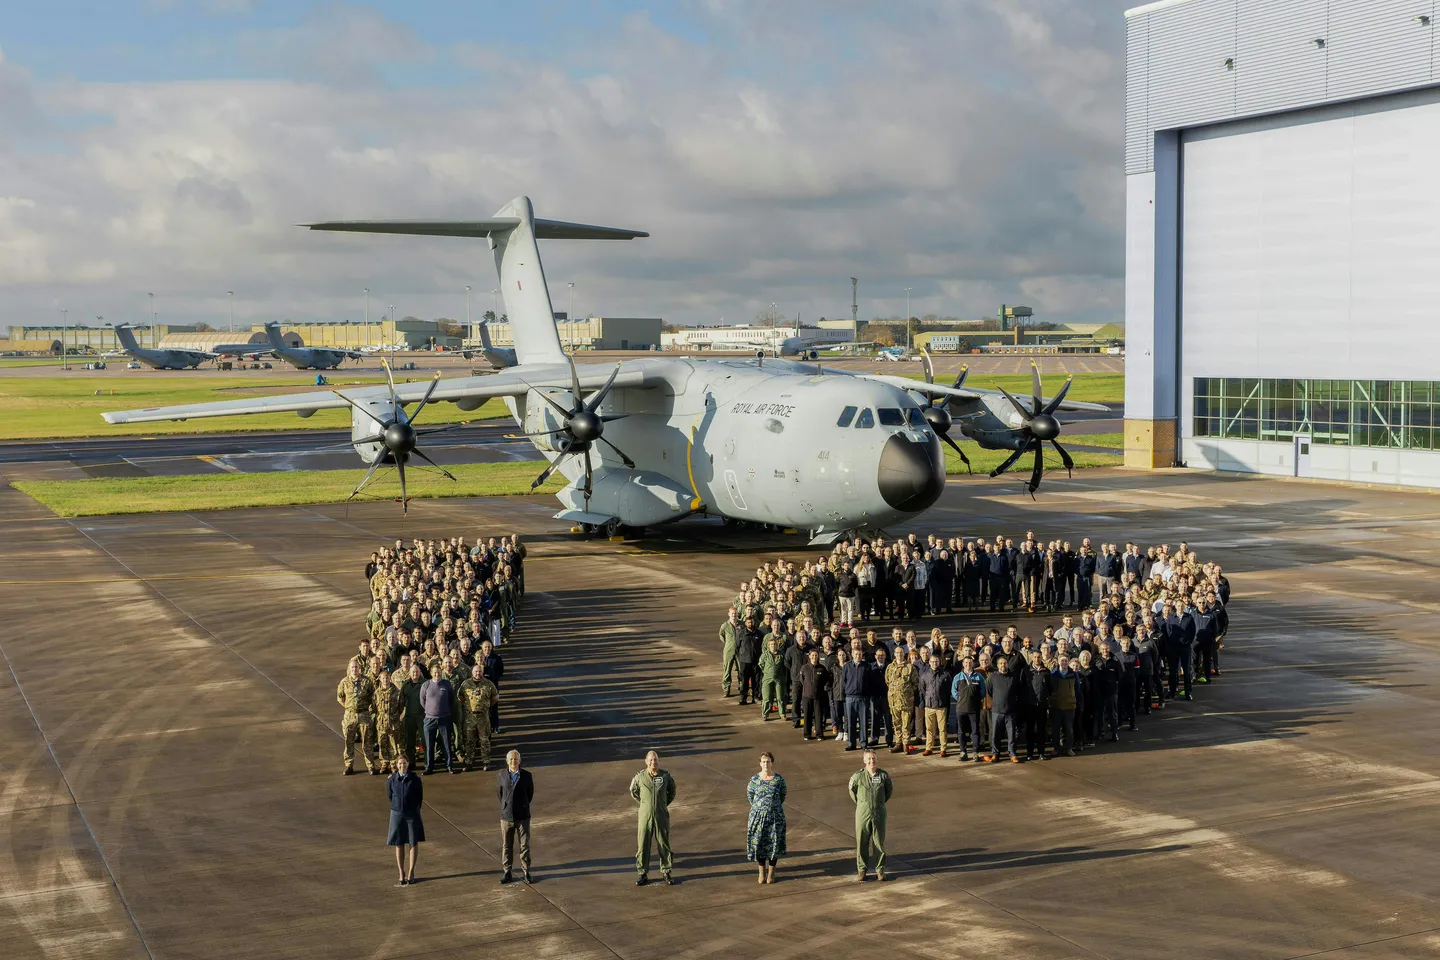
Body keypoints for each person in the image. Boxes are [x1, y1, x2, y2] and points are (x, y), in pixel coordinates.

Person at [630, 750, 677, 886]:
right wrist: (645, 804)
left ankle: (666, 872)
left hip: (661, 816)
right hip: (645, 816)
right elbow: (634, 791)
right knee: (643, 844)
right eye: (650, 760)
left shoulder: (665, 776)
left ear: (658, 761)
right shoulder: (640, 777)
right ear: (646, 762)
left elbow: (672, 791)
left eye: (655, 760)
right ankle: (642, 873)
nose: (653, 762)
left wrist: (662, 804)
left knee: (663, 843)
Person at [848, 749, 893, 882]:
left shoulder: (884, 776)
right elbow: (852, 791)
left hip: (879, 812)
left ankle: (880, 870)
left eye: (873, 759)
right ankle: (862, 870)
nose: (871, 761)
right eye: (869, 759)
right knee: (862, 842)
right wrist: (862, 804)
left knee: (878, 842)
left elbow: (888, 792)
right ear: (864, 761)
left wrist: (878, 803)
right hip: (863, 813)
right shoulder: (858, 776)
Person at [745, 752, 787, 884]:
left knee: (774, 843)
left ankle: (772, 872)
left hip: (775, 817)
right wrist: (760, 808)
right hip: (758, 817)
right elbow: (750, 796)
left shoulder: (778, 779)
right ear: (760, 763)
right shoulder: (754, 780)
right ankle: (761, 871)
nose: (766, 764)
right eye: (763, 762)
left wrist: (772, 807)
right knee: (759, 844)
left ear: (772, 763)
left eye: (768, 761)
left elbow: (782, 795)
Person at [497, 749, 534, 884]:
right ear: (507, 761)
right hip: (506, 816)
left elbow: (530, 794)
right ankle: (507, 871)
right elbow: (500, 794)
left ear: (519, 761)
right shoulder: (501, 776)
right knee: (507, 845)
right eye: (511, 759)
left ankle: (526, 871)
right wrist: (506, 806)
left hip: (523, 816)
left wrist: (522, 805)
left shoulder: (527, 776)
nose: (513, 762)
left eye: (516, 759)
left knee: (524, 846)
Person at [386, 754, 424, 886]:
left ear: (408, 764)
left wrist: (413, 809)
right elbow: (390, 796)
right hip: (397, 814)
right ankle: (401, 873)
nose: (402, 766)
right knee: (399, 843)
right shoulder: (391, 780)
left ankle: (411, 872)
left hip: (412, 814)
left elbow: (420, 797)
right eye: (400, 764)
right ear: (396, 765)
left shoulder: (415, 779)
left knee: (413, 842)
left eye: (405, 763)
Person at [338, 660, 380, 776]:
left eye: (356, 667)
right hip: (350, 715)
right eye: (352, 667)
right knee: (349, 741)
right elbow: (340, 697)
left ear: (359, 668)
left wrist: (368, 707)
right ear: (349, 669)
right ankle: (349, 765)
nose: (354, 669)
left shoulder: (367, 681)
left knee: (367, 741)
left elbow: (373, 695)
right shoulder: (344, 682)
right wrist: (349, 707)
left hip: (364, 714)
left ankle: (371, 765)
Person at [458, 664, 498, 772]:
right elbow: (460, 697)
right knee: (469, 741)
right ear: (472, 673)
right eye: (476, 671)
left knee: (484, 740)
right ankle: (468, 763)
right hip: (470, 717)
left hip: (483, 717)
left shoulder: (489, 684)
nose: (478, 673)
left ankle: (486, 762)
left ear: (482, 672)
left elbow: (495, 697)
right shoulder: (466, 684)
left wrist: (486, 706)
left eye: (480, 671)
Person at [419, 669, 457, 775]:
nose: (437, 674)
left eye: (439, 672)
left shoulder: (446, 684)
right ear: (431, 673)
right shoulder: (426, 685)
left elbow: (451, 700)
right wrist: (430, 711)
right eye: (435, 672)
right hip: (429, 719)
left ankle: (449, 766)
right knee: (429, 744)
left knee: (446, 743)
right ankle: (429, 767)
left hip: (444, 718)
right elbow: (422, 701)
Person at [719, 607, 741, 699]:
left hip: (739, 650)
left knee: (741, 670)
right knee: (727, 670)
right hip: (729, 650)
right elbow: (721, 635)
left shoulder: (741, 624)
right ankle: (726, 688)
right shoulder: (725, 625)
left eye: (735, 614)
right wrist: (728, 644)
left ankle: (742, 687)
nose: (734, 615)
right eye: (732, 614)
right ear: (729, 614)